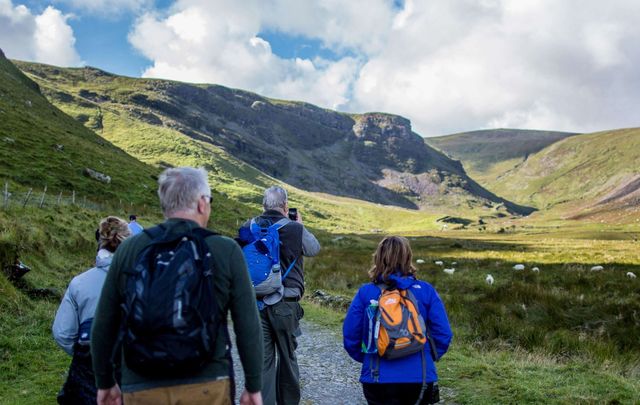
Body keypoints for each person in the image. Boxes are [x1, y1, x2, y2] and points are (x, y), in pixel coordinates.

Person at [90, 167, 264, 405]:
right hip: (208, 383)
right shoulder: (225, 250)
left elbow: (104, 323)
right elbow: (248, 325)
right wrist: (253, 386)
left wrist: (105, 381)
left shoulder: (131, 249)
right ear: (202, 204)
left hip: (141, 384)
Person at [343, 236, 453, 405]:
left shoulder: (366, 292)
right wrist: (427, 356)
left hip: (377, 377)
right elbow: (443, 334)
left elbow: (351, 336)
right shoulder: (426, 291)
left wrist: (369, 357)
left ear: (379, 257)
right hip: (420, 377)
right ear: (408, 257)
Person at [237, 186, 320, 405]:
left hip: (256, 303)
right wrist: (300, 225)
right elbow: (313, 249)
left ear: (263, 205)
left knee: (264, 361)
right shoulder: (294, 228)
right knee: (287, 357)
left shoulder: (249, 226)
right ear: (285, 206)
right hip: (287, 303)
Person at [53, 216, 132, 405]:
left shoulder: (79, 283)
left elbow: (63, 333)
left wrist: (86, 354)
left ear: (100, 241)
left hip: (88, 372)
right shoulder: (145, 281)